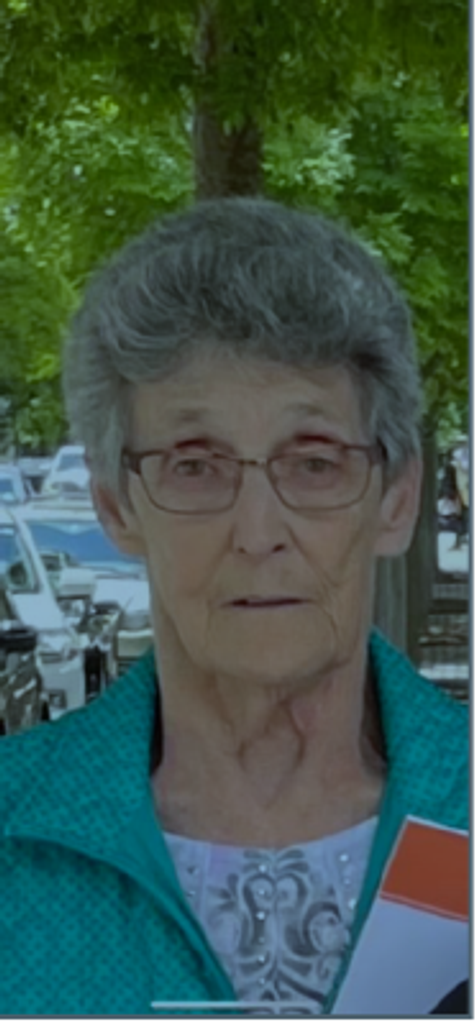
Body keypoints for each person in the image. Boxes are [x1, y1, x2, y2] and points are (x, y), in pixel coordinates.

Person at [0, 199, 468, 1016]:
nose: (257, 534)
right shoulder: (15, 829)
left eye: (314, 463)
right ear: (117, 507)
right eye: (195, 465)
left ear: (396, 499)